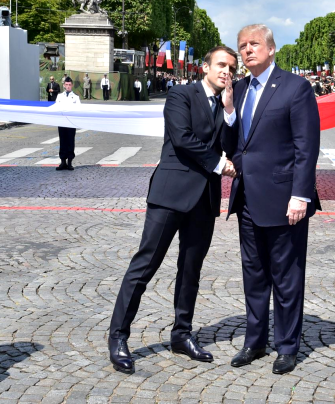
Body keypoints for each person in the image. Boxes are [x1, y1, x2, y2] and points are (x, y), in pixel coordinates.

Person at [108, 46, 239, 374]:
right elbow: (181, 138)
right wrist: (218, 163)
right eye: (221, 65)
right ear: (206, 66)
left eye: (232, 68)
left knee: (191, 271)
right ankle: (118, 336)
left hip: (205, 199)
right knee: (145, 265)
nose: (227, 72)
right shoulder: (181, 95)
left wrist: (230, 112)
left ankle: (182, 334)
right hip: (170, 194)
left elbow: (234, 144)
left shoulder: (228, 104)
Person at [222, 24, 321, 375]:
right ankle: (254, 341)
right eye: (242, 46)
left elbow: (306, 148)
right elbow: (235, 141)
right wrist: (229, 110)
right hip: (246, 197)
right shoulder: (239, 88)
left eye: (254, 44)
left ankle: (287, 346)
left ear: (271, 49)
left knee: (287, 276)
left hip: (284, 199)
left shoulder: (296, 87)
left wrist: (300, 195)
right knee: (254, 274)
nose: (247, 50)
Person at [54, 77, 80, 171]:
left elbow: (78, 110)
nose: (68, 86)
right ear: (64, 85)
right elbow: (56, 108)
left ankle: (69, 162)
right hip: (61, 122)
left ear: (71, 85)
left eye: (69, 85)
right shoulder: (60, 96)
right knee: (62, 141)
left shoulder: (76, 97)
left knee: (70, 141)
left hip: (71, 123)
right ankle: (63, 162)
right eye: (66, 85)